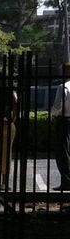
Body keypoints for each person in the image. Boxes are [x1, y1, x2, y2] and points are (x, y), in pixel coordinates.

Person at [53, 63, 70, 191]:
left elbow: (58, 106)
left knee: (62, 152)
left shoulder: (63, 87)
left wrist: (52, 114)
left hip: (64, 120)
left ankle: (66, 181)